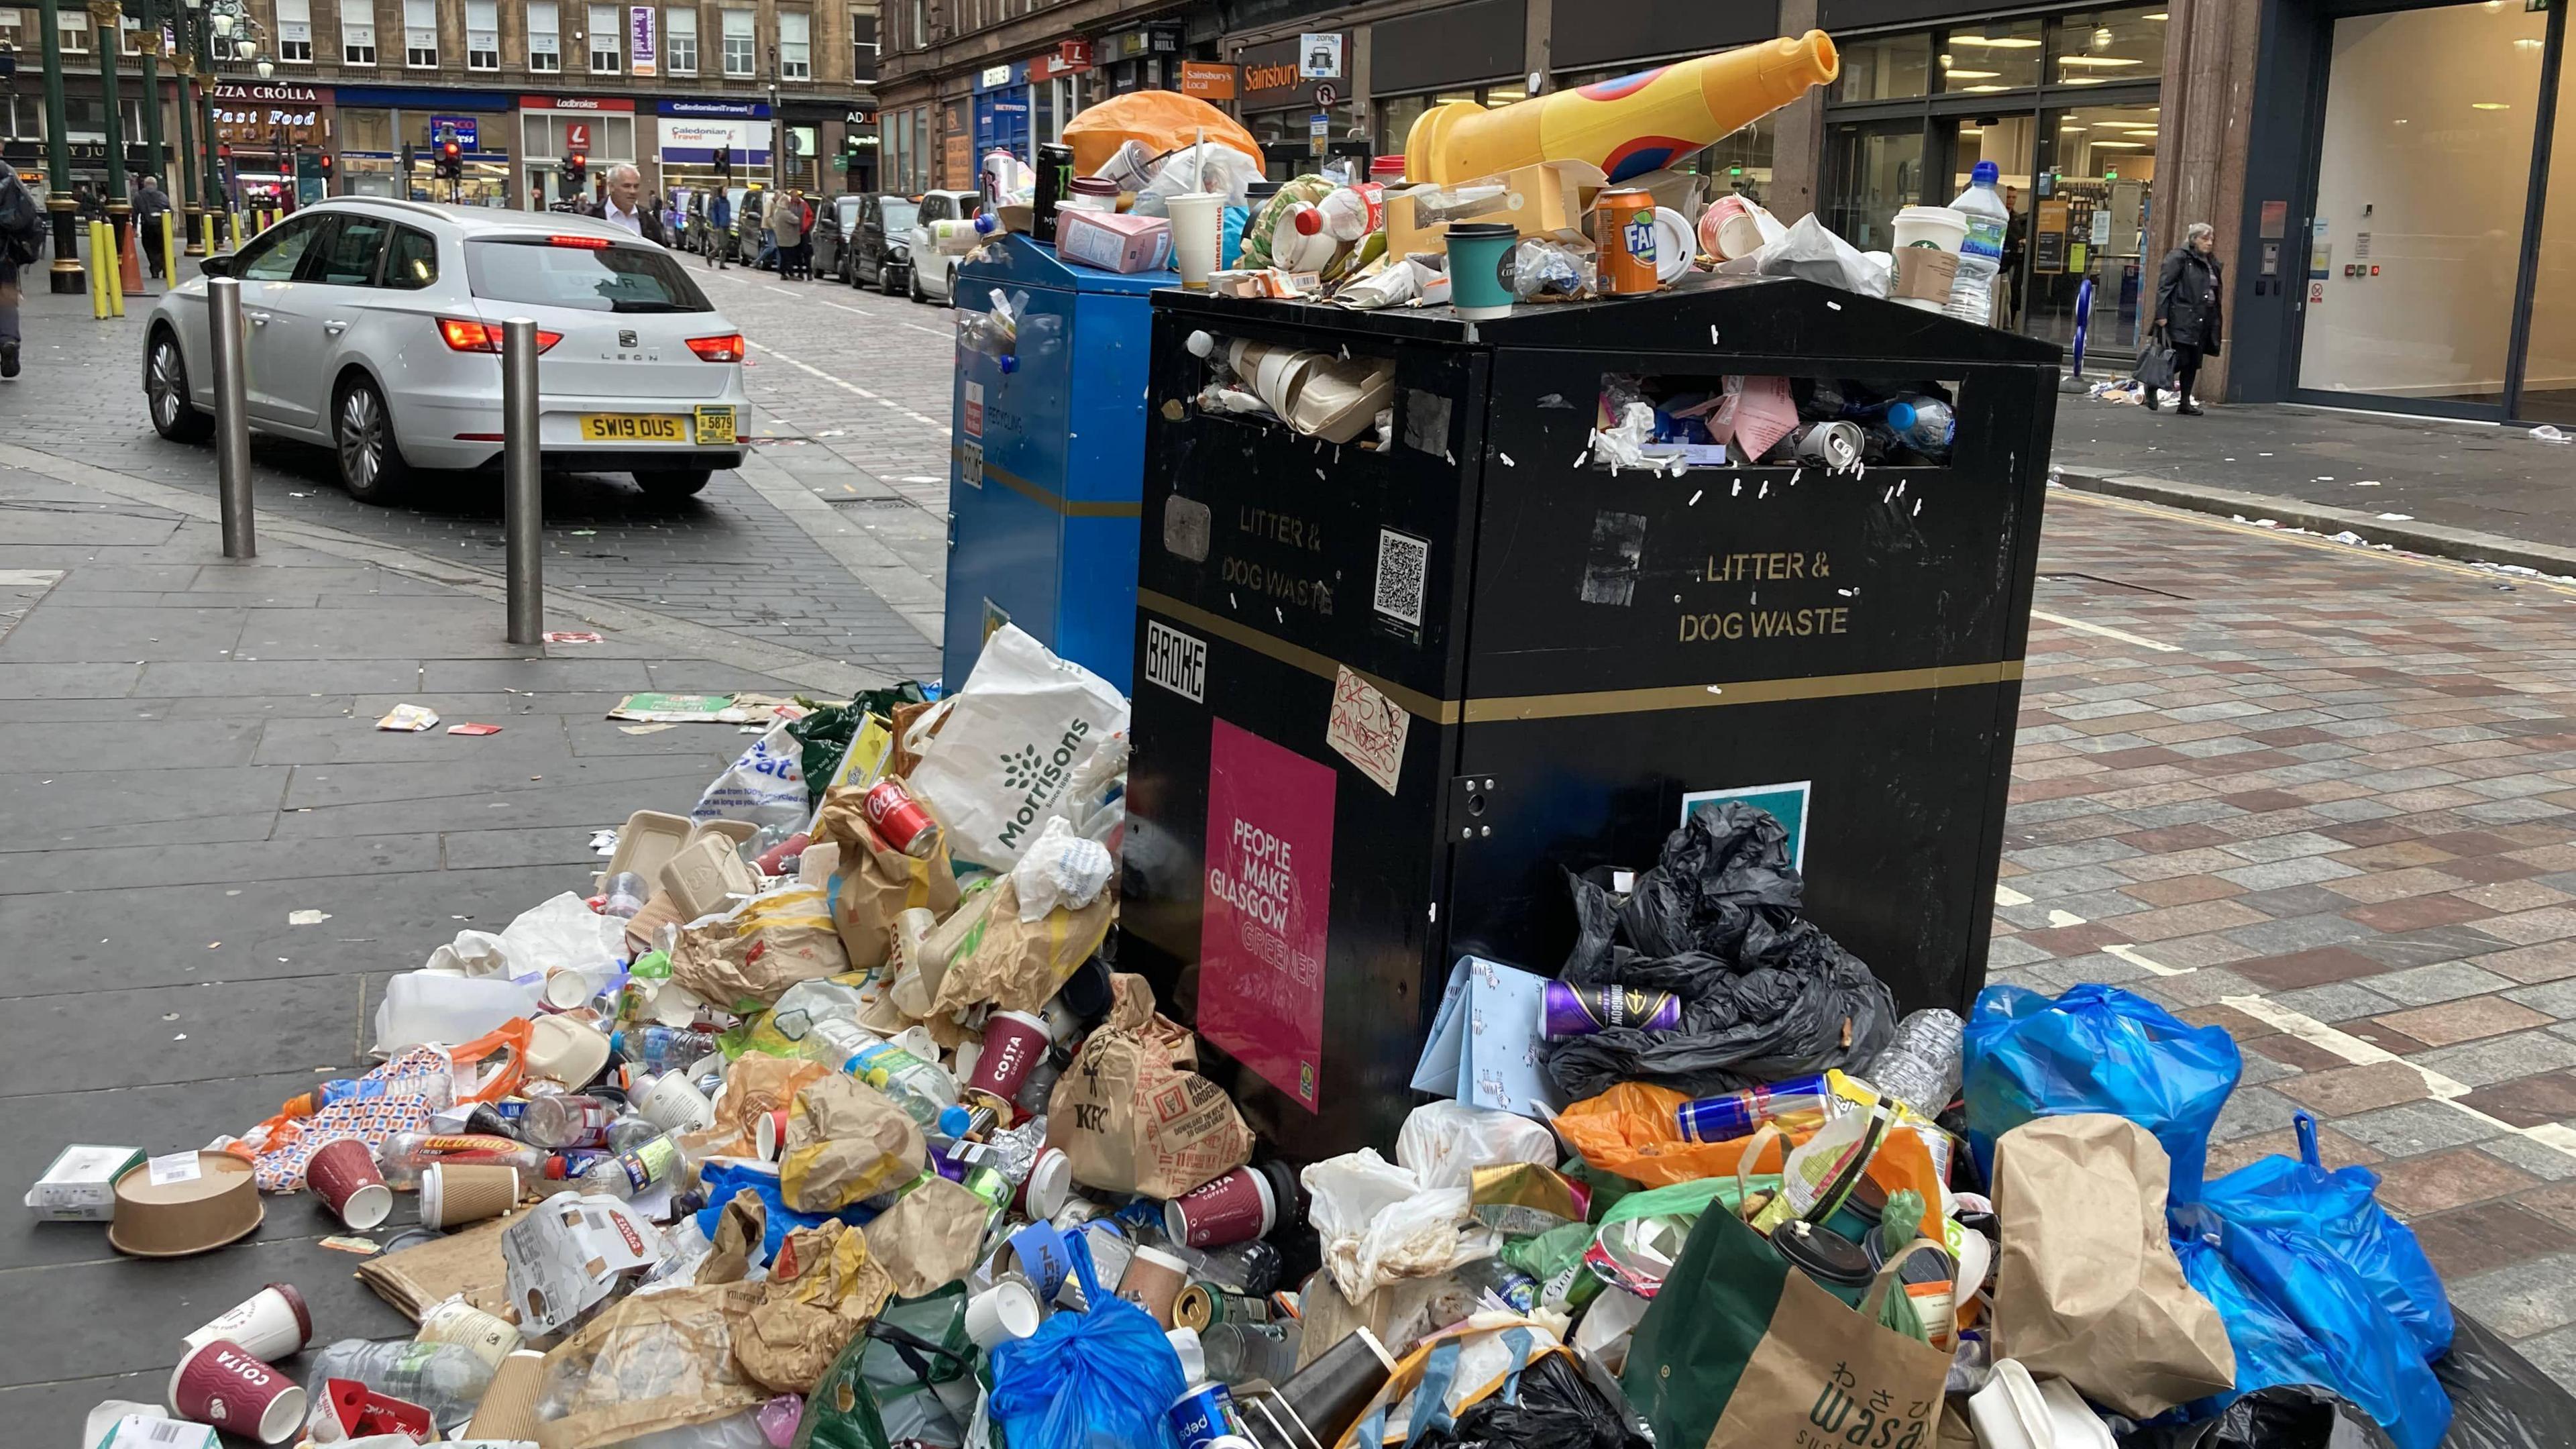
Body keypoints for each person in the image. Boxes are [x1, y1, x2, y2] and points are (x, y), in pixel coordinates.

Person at [2149, 220, 2224, 415]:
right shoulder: (2179, 258)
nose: (2209, 243)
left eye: (2212, 239)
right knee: (2180, 358)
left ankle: (2184, 402)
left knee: (2194, 361)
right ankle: (2153, 384)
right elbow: (2165, 286)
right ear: (2193, 240)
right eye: (2205, 239)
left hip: (2204, 317)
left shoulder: (2211, 262)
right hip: (2182, 316)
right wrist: (2162, 315)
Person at [0, 157, 43, 380]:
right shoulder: (6, 170)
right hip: (3, 250)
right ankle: (8, 339)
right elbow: (27, 209)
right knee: (5, 299)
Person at [598, 164, 669, 246]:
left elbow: (658, 253)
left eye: (636, 186)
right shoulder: (592, 216)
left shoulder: (648, 219)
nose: (633, 191)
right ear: (611, 186)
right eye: (627, 186)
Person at [133, 174, 172, 280]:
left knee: (150, 248)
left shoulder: (139, 196)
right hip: (162, 225)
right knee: (163, 247)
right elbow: (169, 210)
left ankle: (155, 268)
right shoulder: (162, 196)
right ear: (156, 185)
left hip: (147, 226)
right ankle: (165, 268)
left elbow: (135, 213)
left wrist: (135, 227)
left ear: (145, 185)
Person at [772, 189, 806, 279]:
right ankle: (791, 274)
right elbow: (796, 220)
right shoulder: (785, 213)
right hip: (788, 239)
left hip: (781, 238)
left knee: (784, 257)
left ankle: (783, 273)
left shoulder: (777, 212)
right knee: (789, 257)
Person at [706, 188, 732, 268]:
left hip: (727, 225)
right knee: (722, 244)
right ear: (721, 192)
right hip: (720, 225)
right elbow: (714, 213)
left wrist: (729, 221)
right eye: (725, 191)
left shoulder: (727, 202)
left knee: (726, 245)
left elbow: (728, 213)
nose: (726, 192)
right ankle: (711, 255)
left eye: (726, 191)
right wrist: (716, 225)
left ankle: (722, 263)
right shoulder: (717, 201)